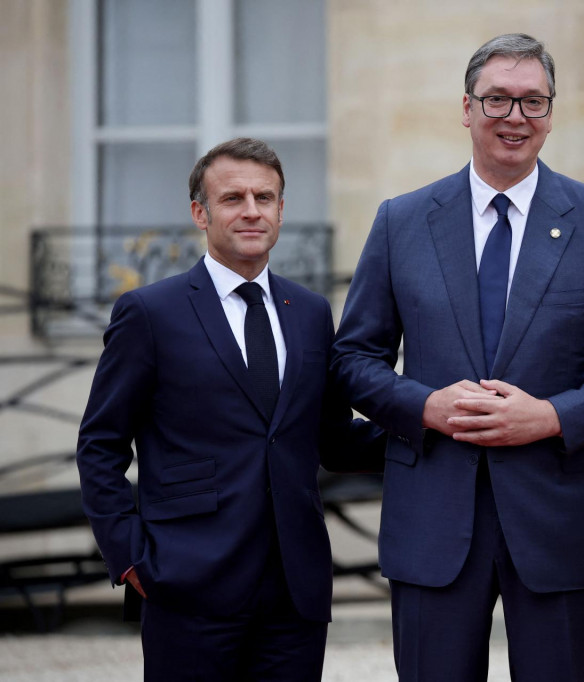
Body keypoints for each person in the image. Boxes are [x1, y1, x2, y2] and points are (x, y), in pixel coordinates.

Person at [331, 33, 584, 681]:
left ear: (552, 111)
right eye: (499, 100)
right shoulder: (402, 222)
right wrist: (424, 404)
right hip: (433, 514)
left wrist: (553, 417)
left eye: (533, 102)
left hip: (558, 516)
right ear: (466, 108)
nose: (516, 118)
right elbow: (353, 358)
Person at [77, 137, 382, 681]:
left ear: (281, 211)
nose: (251, 211)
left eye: (265, 198)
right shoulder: (149, 313)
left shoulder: (310, 312)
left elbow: (332, 438)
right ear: (201, 212)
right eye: (233, 198)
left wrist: (432, 423)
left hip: (295, 589)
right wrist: (128, 555)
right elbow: (100, 444)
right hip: (187, 582)